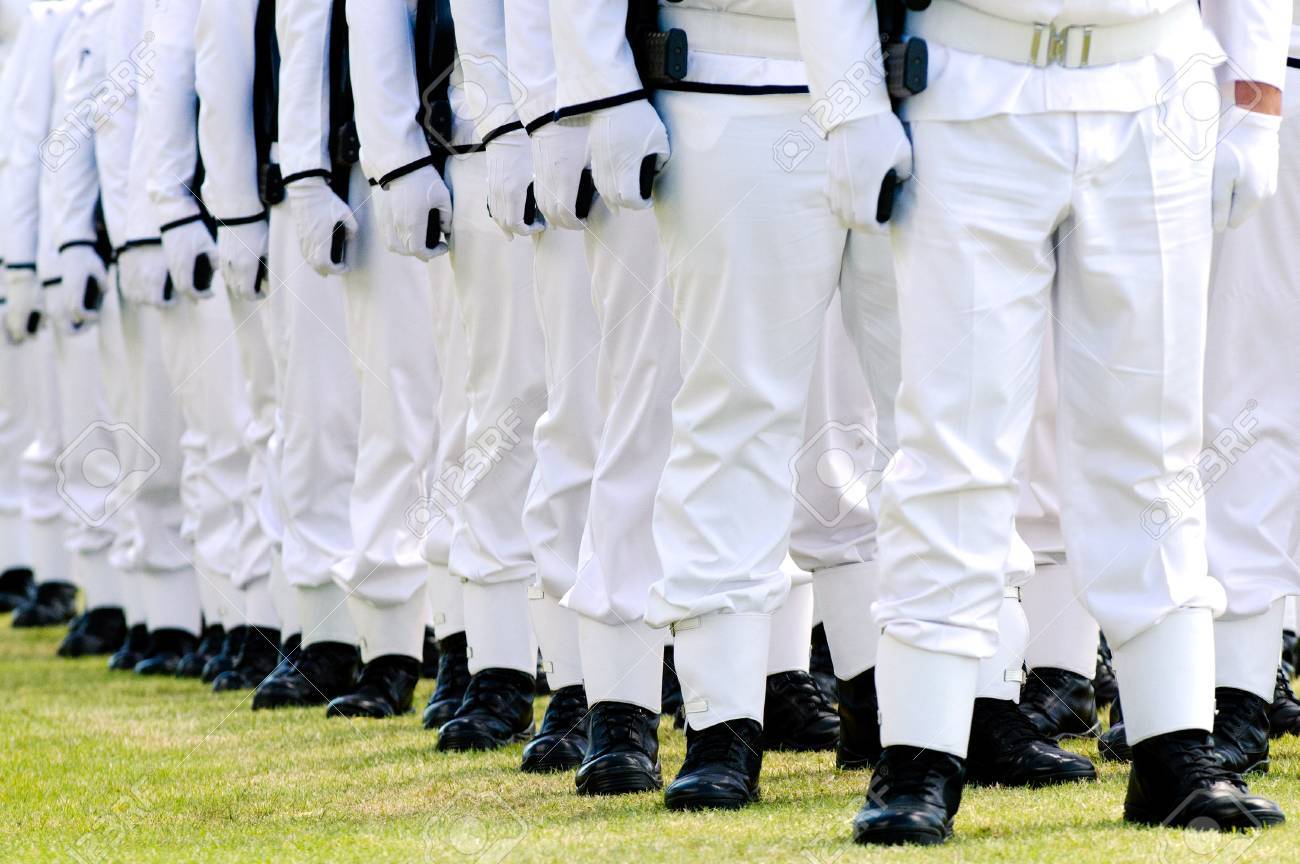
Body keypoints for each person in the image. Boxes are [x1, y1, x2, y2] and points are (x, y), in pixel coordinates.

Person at [793, 0, 1292, 845]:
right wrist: (848, 105)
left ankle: (1176, 743)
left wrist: (1255, 99)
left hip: (1156, 83)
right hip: (969, 79)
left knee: (1155, 438)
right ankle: (919, 752)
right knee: (952, 438)